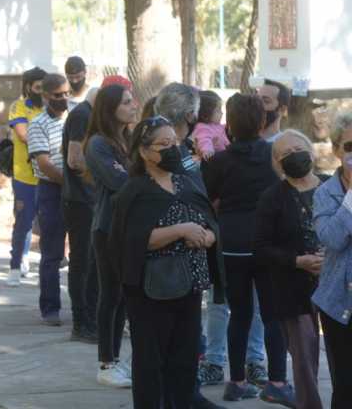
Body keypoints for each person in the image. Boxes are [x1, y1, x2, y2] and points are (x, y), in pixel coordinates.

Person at [109, 116, 222, 409]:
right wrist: (181, 230)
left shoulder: (186, 182)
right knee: (150, 361)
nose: (173, 149)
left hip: (190, 285)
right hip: (151, 291)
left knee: (185, 358)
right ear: (145, 152)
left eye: (176, 143)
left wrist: (207, 236)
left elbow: (209, 221)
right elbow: (133, 239)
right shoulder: (135, 191)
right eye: (164, 144)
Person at [203, 93, 292, 404]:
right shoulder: (273, 156)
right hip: (268, 245)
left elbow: (208, 201)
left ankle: (237, 381)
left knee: (238, 314)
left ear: (229, 123)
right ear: (262, 121)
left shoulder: (219, 161)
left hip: (231, 244)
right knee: (273, 315)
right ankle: (278, 381)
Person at [254, 129, 326, 409]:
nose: (292, 156)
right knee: (304, 360)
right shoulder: (272, 197)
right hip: (293, 289)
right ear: (277, 163)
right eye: (284, 154)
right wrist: (297, 261)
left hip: (339, 285)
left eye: (297, 148)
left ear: (309, 149)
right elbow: (260, 248)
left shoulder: (333, 187)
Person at [82, 81, 138, 388]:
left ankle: (116, 359)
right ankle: (106, 362)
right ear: (110, 109)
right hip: (108, 229)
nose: (133, 106)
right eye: (127, 102)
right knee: (111, 295)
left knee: (124, 298)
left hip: (130, 228)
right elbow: (122, 182)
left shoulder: (127, 139)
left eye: (132, 101)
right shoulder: (98, 144)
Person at [310, 112, 352, 409]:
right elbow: (333, 239)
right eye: (350, 146)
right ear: (337, 150)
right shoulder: (326, 193)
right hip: (339, 304)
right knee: (346, 388)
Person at [26, 73, 71, 325]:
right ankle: (50, 307)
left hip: (79, 189)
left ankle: (84, 305)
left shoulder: (75, 116)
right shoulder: (38, 124)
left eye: (66, 94)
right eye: (57, 95)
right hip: (52, 191)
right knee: (52, 252)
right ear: (45, 96)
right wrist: (72, 183)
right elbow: (44, 163)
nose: (63, 99)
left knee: (84, 252)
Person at [62, 84, 100, 343]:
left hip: (91, 200)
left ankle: (90, 320)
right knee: (83, 262)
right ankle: (82, 322)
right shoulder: (83, 115)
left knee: (92, 263)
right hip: (81, 200)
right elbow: (74, 160)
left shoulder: (90, 115)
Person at [7, 67, 46, 284]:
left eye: (44, 87)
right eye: (37, 87)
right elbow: (23, 135)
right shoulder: (18, 106)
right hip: (25, 176)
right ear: (28, 87)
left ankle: (45, 268)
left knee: (49, 224)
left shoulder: (52, 107)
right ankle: (14, 266)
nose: (41, 92)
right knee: (23, 221)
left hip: (48, 175)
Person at [192, 90, 228, 160]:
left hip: (221, 155)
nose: (222, 113)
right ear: (206, 114)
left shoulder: (217, 126)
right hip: (211, 158)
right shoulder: (202, 127)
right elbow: (204, 139)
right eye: (218, 110)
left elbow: (224, 137)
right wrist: (207, 150)